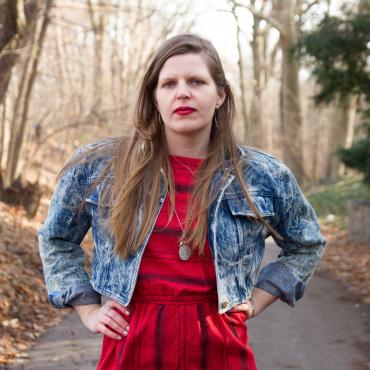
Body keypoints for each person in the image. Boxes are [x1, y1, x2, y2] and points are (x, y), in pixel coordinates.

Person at [38, 34, 326, 370]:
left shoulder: (263, 175)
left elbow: (306, 243)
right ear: (155, 98)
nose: (183, 92)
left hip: (220, 348)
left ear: (220, 95)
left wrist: (257, 301)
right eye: (169, 83)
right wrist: (87, 308)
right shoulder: (99, 167)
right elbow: (56, 238)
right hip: (131, 347)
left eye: (196, 81)